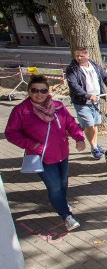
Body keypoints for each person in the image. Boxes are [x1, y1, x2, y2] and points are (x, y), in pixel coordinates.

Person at [5, 75, 86, 231]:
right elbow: (11, 133)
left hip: (62, 153)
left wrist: (79, 137)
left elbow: (70, 123)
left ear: (48, 92)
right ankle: (66, 216)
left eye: (43, 90)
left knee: (63, 183)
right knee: (55, 186)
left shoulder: (58, 106)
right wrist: (31, 145)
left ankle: (59, 202)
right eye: (35, 90)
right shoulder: (21, 110)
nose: (39, 94)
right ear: (28, 91)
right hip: (42, 157)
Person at [66, 47, 107, 159]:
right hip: (82, 102)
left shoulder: (95, 66)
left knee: (95, 124)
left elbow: (105, 77)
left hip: (96, 100)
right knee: (89, 124)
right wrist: (88, 96)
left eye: (81, 56)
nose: (78, 58)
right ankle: (94, 148)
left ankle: (95, 144)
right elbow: (74, 86)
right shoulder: (72, 69)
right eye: (77, 56)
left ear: (87, 56)